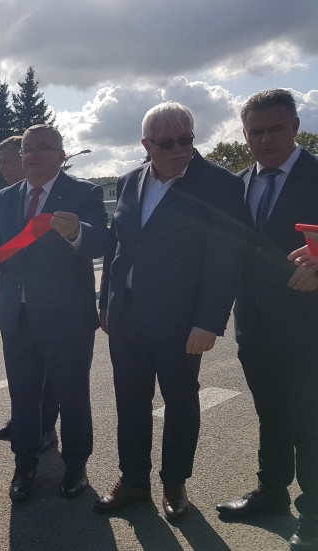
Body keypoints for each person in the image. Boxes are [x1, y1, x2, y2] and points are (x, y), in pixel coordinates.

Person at [96, 102, 246, 522]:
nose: (180, 150)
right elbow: (117, 250)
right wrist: (106, 302)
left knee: (180, 403)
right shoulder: (128, 182)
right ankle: (134, 481)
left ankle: (175, 483)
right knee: (130, 402)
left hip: (183, 323)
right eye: (167, 143)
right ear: (147, 145)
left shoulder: (219, 185)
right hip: (126, 319)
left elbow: (225, 259)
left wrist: (209, 321)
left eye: (187, 139)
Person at [0, 124, 109, 501]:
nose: (32, 156)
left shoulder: (84, 192)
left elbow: (102, 241)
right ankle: (25, 465)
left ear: (62, 154)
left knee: (72, 395)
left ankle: (76, 466)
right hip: (16, 316)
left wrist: (77, 232)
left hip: (67, 318)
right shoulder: (4, 196)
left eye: (42, 149)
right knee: (23, 395)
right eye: (27, 150)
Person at [215, 89, 318, 550]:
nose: (265, 139)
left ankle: (314, 513)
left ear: (295, 127)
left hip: (308, 326)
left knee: (309, 419)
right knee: (271, 413)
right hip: (253, 324)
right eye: (255, 131)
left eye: (275, 129)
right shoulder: (237, 184)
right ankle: (272, 493)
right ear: (244, 134)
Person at [0, 135, 59, 452]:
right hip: (15, 300)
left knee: (49, 375)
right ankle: (23, 424)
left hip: (50, 302)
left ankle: (47, 428)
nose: (2, 168)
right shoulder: (5, 198)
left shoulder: (52, 195)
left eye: (6, 161)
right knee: (22, 379)